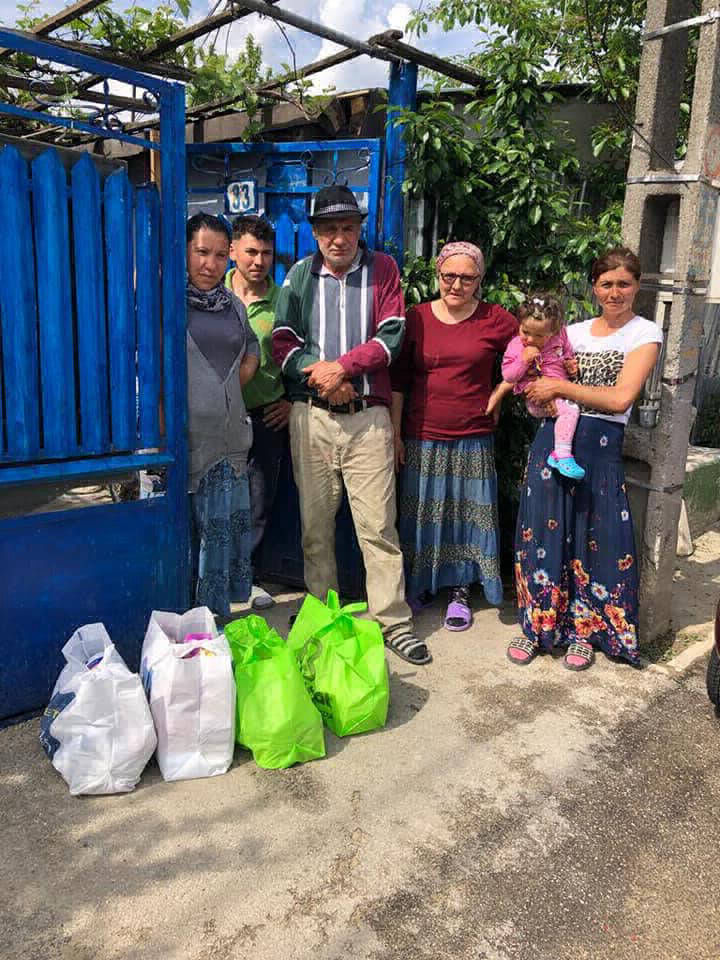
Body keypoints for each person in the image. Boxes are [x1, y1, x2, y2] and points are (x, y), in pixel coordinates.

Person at [271, 184, 430, 665]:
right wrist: (324, 378)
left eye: (347, 227)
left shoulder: (383, 270)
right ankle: (323, 617)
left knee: (378, 526)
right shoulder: (299, 275)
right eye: (328, 229)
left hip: (368, 419)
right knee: (315, 527)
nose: (338, 238)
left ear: (359, 229)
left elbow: (391, 336)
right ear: (315, 233)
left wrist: (342, 369)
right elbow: (283, 342)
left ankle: (392, 621)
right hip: (313, 418)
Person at [507, 246, 662, 670]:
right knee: (542, 534)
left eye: (624, 284)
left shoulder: (644, 334)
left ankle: (585, 632)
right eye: (606, 283)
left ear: (637, 286)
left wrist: (560, 389)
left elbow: (620, 398)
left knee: (597, 538)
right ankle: (538, 626)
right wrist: (535, 387)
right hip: (551, 439)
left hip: (601, 447)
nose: (615, 292)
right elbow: (531, 373)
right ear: (594, 287)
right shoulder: (570, 332)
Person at [390, 241, 517, 632]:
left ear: (479, 280)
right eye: (449, 276)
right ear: (438, 274)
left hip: (472, 435)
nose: (457, 285)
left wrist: (500, 391)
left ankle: (460, 591)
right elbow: (398, 380)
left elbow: (531, 353)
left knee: (465, 517)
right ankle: (423, 584)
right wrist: (395, 433)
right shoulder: (416, 318)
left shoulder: (496, 319)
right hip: (422, 434)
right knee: (423, 515)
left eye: (467, 278)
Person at [186, 213, 260, 617]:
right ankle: (188, 629)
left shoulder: (233, 305)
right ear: (184, 251)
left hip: (231, 443)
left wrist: (227, 389)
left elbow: (252, 350)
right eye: (201, 252)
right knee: (188, 540)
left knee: (223, 539)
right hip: (189, 445)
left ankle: (216, 625)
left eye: (218, 255)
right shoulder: (166, 304)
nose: (209, 264)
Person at [225, 215, 290, 611]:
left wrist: (292, 400)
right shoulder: (211, 294)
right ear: (233, 250)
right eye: (251, 251)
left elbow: (303, 353)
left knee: (257, 501)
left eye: (266, 253)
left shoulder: (284, 301)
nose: (258, 261)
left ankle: (247, 578)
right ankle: (209, 577)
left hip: (267, 416)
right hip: (218, 416)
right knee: (215, 496)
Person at [490, 293, 585, 481]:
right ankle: (561, 455)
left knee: (567, 412)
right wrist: (523, 360)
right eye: (525, 331)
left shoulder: (560, 335)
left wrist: (570, 363)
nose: (530, 339)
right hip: (535, 397)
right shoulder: (516, 347)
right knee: (571, 411)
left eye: (539, 335)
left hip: (559, 390)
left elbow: (567, 351)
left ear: (553, 331)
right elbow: (508, 376)